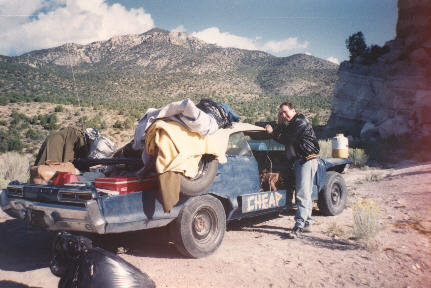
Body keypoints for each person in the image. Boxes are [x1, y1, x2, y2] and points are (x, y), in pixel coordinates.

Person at [265, 102, 320, 238]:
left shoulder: (300, 121)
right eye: (281, 113)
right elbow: (284, 133)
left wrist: (272, 133)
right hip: (302, 160)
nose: (284, 115)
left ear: (293, 110)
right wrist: (279, 123)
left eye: (285, 112)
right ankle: (307, 222)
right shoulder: (293, 123)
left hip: (306, 160)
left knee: (301, 194)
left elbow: (287, 139)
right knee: (306, 194)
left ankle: (299, 226)